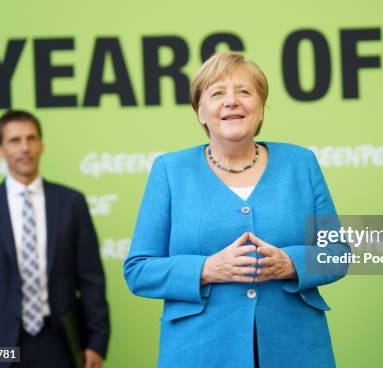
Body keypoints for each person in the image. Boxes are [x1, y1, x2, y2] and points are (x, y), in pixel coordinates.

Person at [124, 51, 348, 368]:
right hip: (199, 351)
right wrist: (207, 269)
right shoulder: (170, 171)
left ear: (260, 107)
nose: (232, 102)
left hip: (295, 349)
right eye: (217, 94)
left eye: (244, 92)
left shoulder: (301, 163)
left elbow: (338, 253)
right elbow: (139, 270)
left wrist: (290, 263)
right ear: (200, 112)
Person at [0, 110, 110, 368]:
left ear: (41, 145)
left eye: (31, 138)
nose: (25, 147)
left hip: (60, 342)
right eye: (14, 140)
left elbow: (91, 280)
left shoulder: (71, 203)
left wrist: (97, 343)